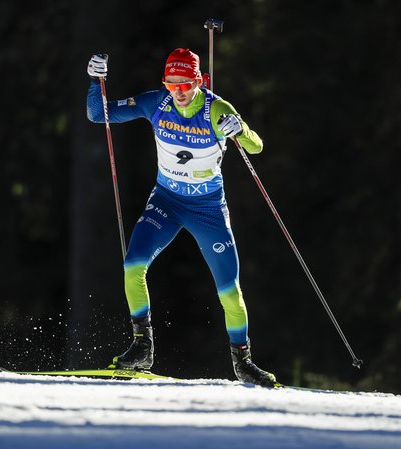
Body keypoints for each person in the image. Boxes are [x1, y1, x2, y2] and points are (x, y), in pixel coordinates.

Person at [86, 49, 277, 387]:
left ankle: (243, 361)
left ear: (199, 81)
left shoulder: (215, 108)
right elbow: (97, 114)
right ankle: (142, 346)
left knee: (230, 291)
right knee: (133, 266)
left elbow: (257, 146)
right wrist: (95, 81)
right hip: (167, 201)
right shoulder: (157, 102)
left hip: (208, 210)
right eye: (171, 85)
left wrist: (240, 129)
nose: (179, 92)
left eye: (185, 85)